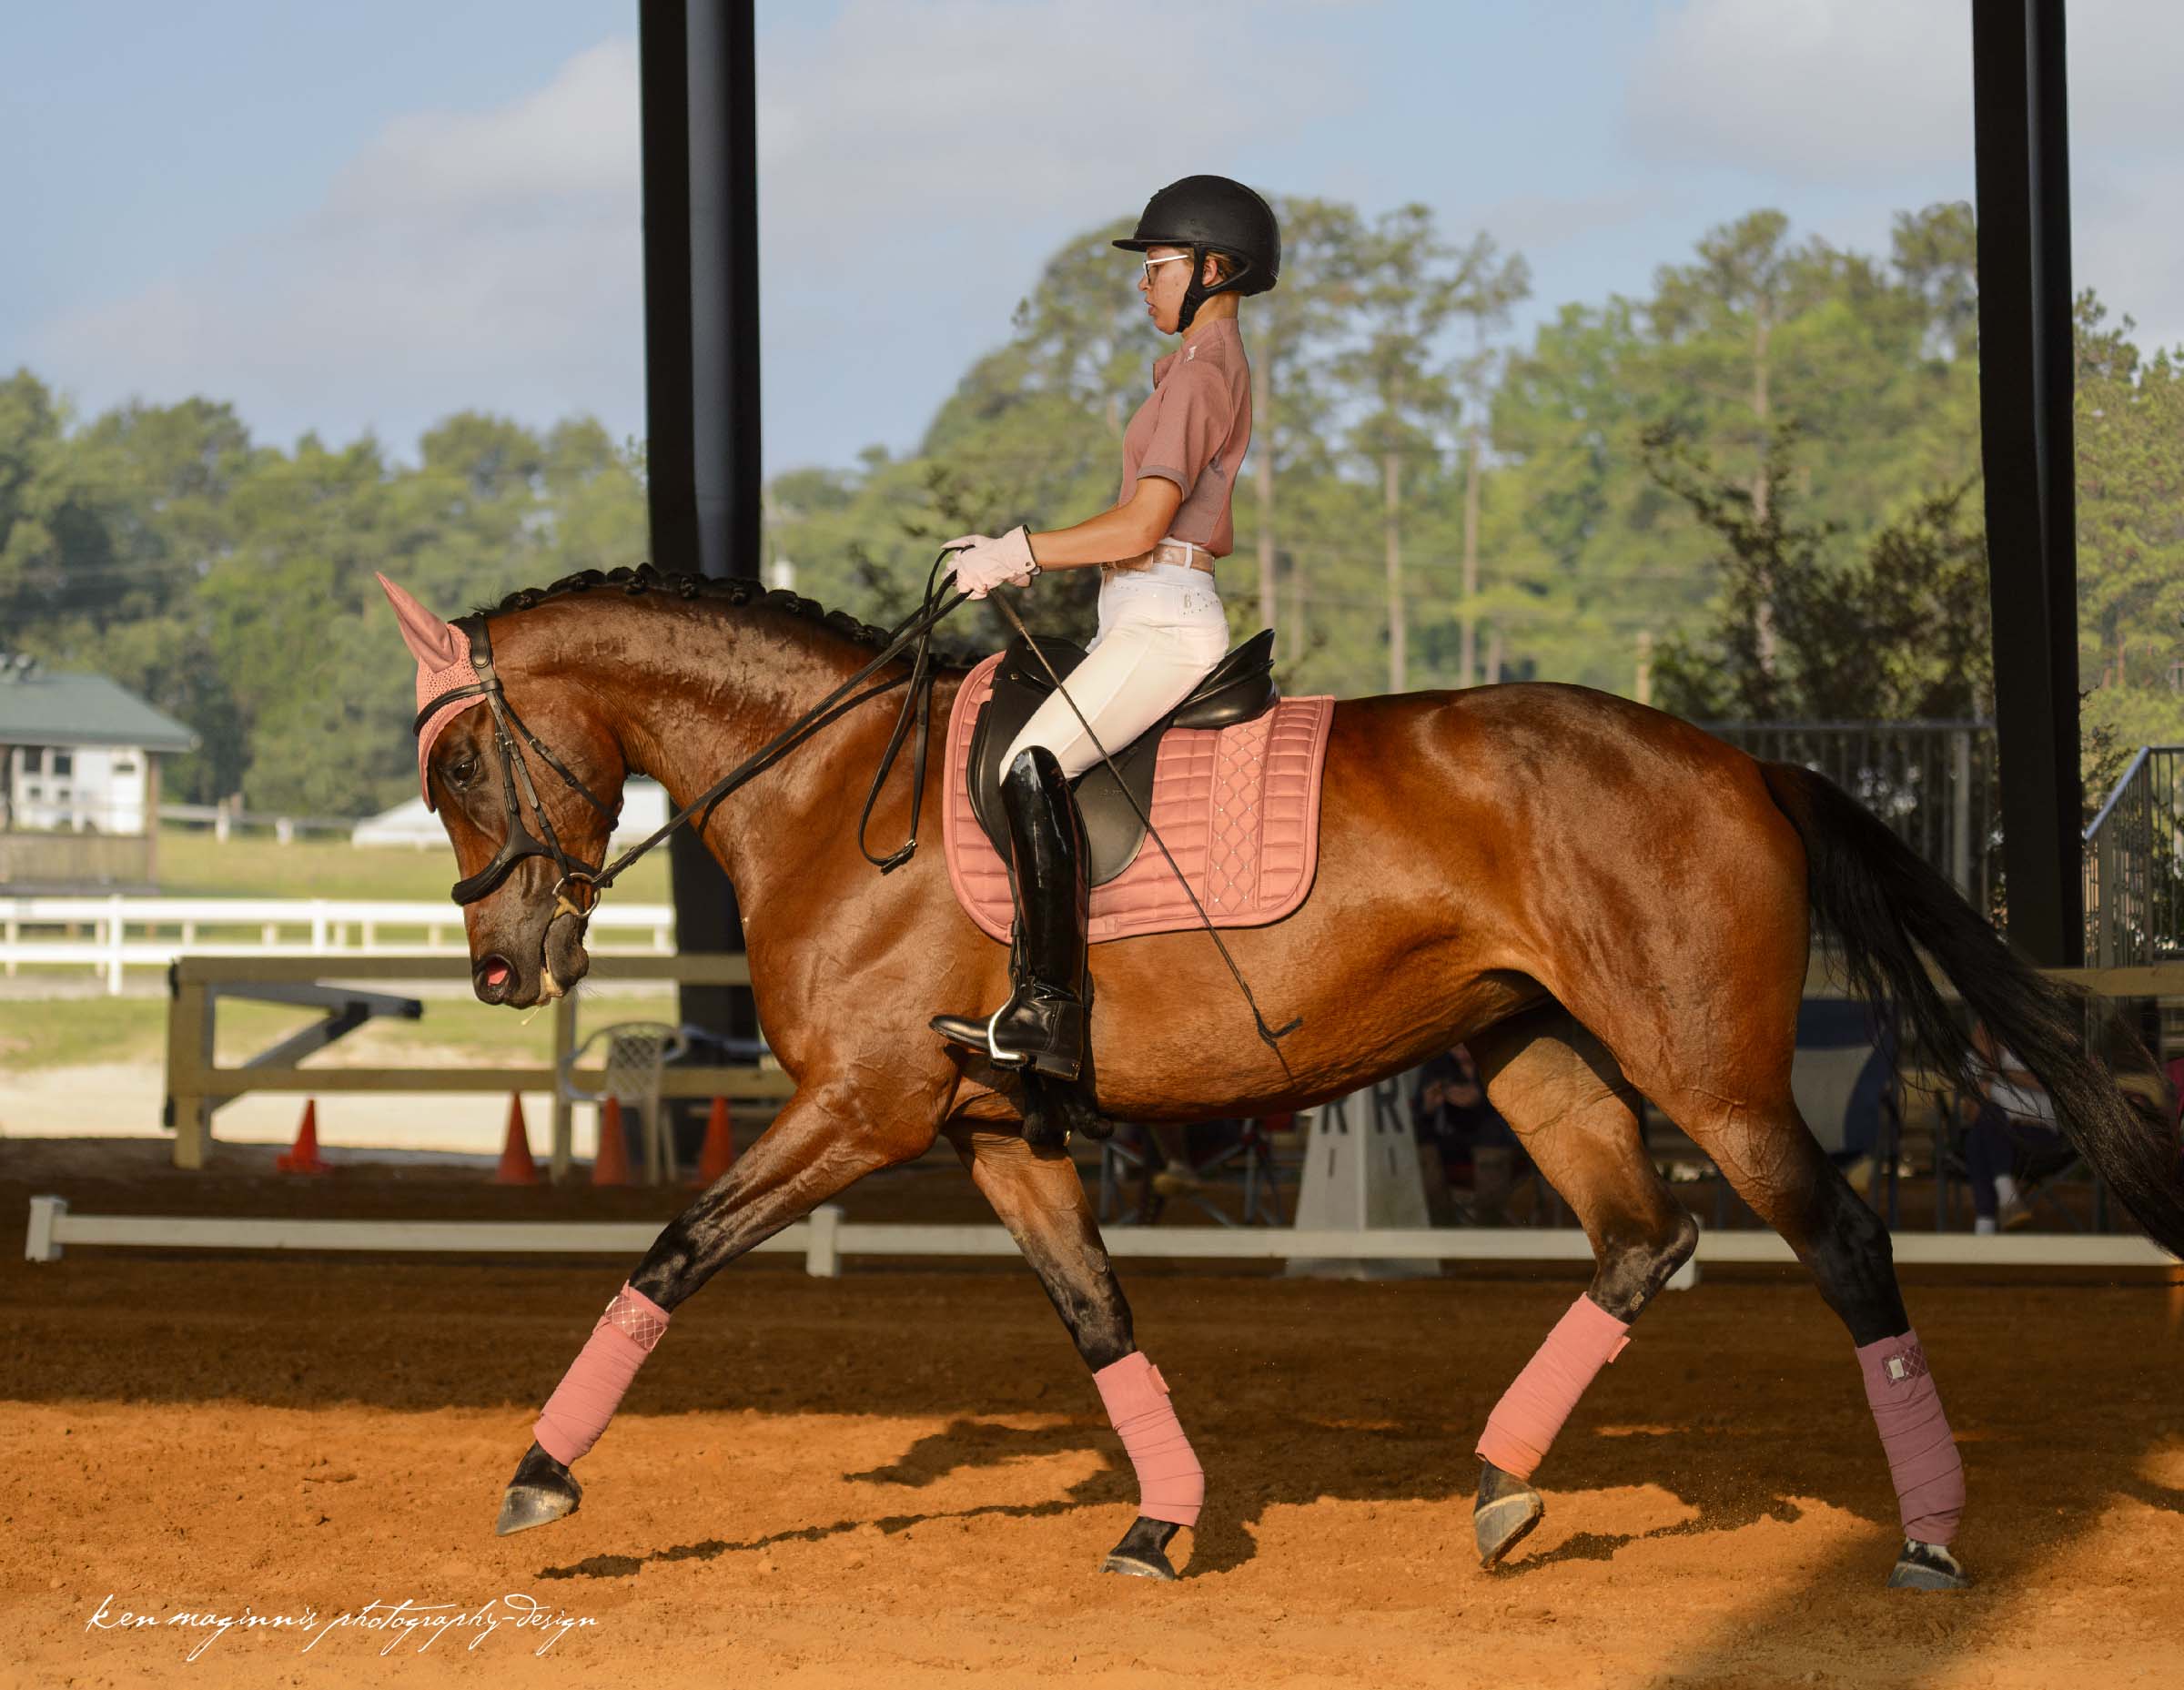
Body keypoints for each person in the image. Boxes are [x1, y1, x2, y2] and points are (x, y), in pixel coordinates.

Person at [930, 176, 1280, 1078]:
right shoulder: (1193, 372)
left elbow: (1137, 529)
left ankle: (1050, 1008)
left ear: (1214, 268)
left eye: (1158, 266)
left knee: (1027, 765)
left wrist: (1018, 553)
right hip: (1138, 609)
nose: (1144, 283)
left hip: (1163, 618)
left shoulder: (1203, 376)